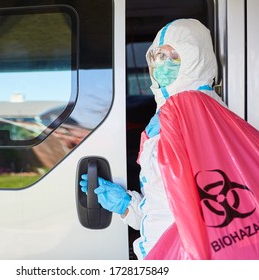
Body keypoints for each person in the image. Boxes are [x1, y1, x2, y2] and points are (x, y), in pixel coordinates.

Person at [80, 18, 225, 259]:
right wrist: (127, 206)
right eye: (158, 57)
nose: (162, 65)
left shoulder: (202, 117)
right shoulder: (168, 115)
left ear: (196, 59)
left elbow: (206, 206)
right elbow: (165, 204)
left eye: (173, 56)